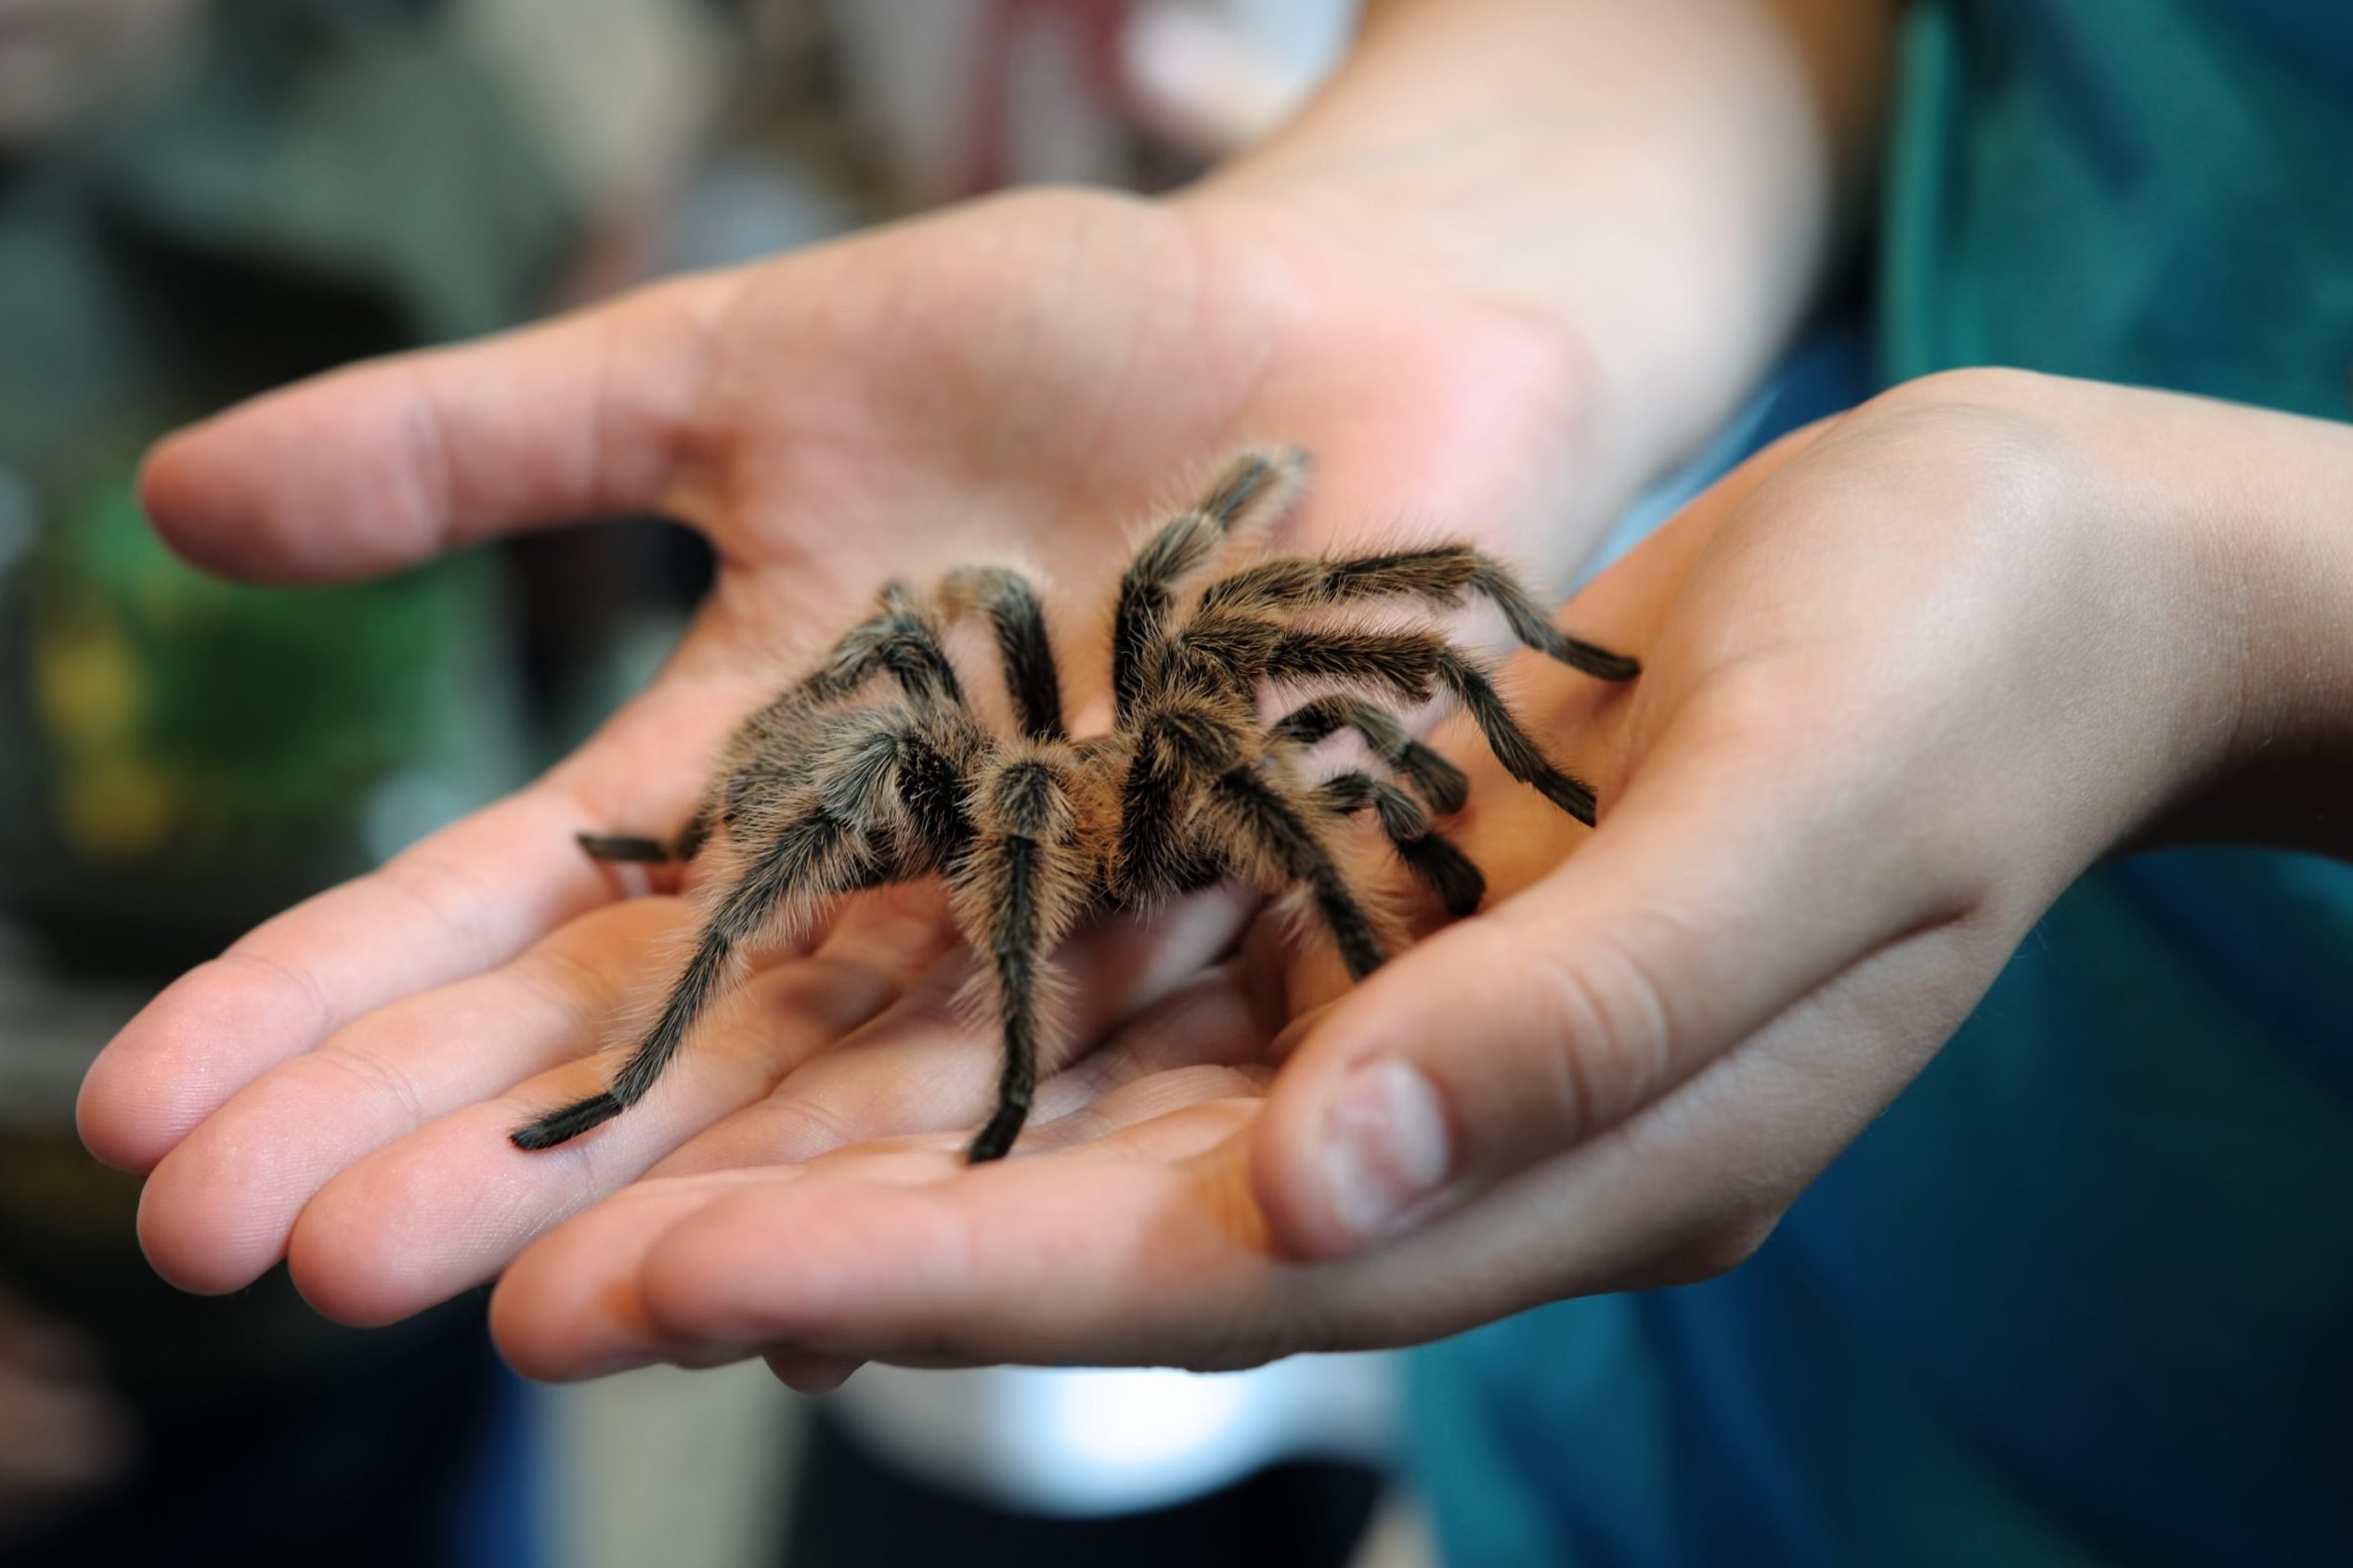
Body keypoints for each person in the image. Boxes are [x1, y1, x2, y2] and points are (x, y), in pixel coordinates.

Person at [76, 0, 2353, 1562]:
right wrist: (1444, 238)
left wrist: (2212, 627)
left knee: (1181, 686)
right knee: (927, 710)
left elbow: (1294, 632)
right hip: (1703, 1437)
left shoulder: (1187, 706)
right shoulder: (1016, 768)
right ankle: (682, 937)